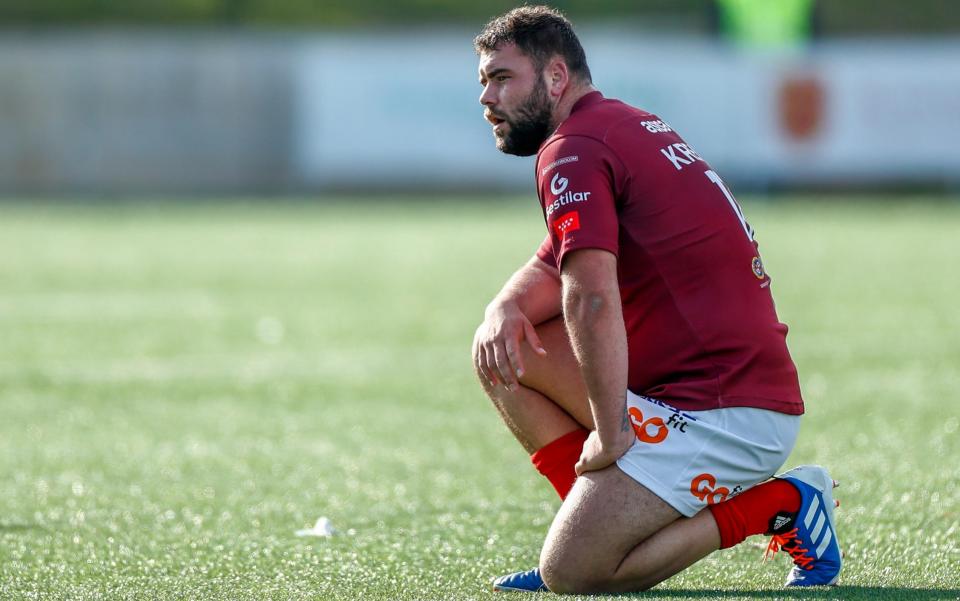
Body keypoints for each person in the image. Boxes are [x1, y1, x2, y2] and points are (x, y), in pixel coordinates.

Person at [470, 5, 841, 594]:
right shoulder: (619, 125)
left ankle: (782, 502)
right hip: (715, 395)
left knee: (572, 574)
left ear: (556, 77)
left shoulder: (572, 149)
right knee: (507, 344)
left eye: (502, 78)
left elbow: (589, 296)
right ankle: (596, 525)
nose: (487, 97)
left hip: (723, 414)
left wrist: (613, 430)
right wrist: (502, 308)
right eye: (484, 81)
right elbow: (552, 262)